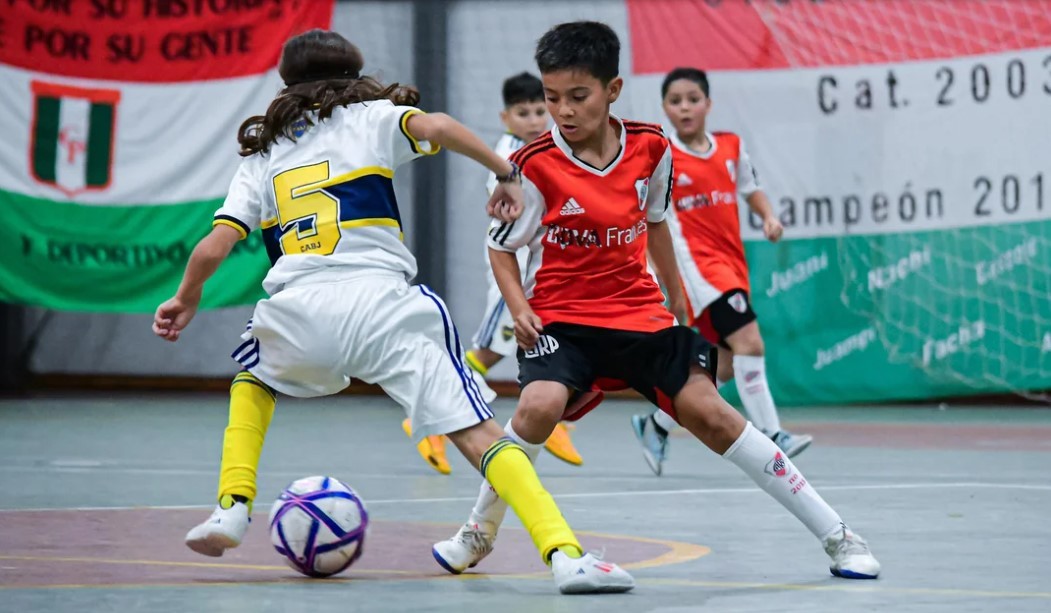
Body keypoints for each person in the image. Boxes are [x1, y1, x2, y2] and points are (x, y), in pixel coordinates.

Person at [151, 29, 633, 594]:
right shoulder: (373, 116)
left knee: (252, 381)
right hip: (385, 304)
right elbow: (441, 127)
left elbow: (215, 244)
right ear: (353, 76)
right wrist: (507, 174)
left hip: (300, 309)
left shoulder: (265, 153)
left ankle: (232, 507)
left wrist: (184, 298)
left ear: (287, 85)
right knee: (480, 437)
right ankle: (565, 556)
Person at [431, 21, 880, 581]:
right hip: (564, 322)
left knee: (715, 417)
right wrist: (519, 307)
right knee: (537, 407)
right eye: (551, 99)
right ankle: (478, 532)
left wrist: (679, 304)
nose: (563, 111)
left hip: (640, 316)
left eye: (578, 96)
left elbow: (659, 225)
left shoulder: (652, 149)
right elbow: (500, 249)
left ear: (612, 89)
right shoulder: (530, 166)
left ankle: (839, 535)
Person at [631, 67, 813, 476]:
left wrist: (768, 217)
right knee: (749, 341)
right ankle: (773, 432)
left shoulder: (730, 146)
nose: (685, 108)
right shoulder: (664, 156)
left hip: (732, 263)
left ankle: (654, 424)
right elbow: (647, 216)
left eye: (693, 99)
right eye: (675, 102)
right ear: (665, 109)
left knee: (724, 366)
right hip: (698, 269)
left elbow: (750, 188)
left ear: (708, 104)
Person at [400, 72, 585, 473]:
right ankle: (429, 414)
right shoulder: (507, 159)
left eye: (540, 110)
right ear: (506, 117)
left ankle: (555, 419)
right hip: (513, 271)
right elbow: (513, 213)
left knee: (555, 341)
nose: (535, 119)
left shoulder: (550, 150)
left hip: (542, 269)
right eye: (524, 112)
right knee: (492, 348)